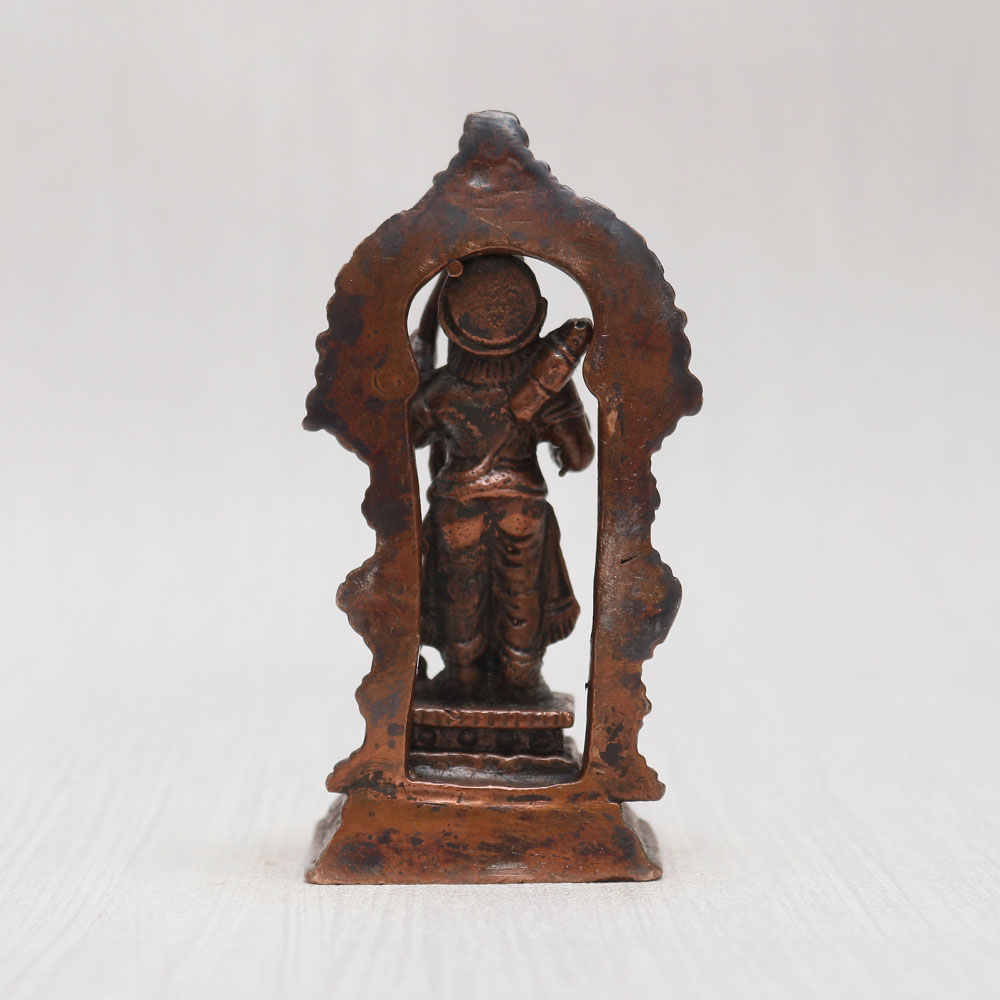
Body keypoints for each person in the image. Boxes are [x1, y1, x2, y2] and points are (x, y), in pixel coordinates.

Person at [411, 254, 594, 704]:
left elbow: (407, 436)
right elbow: (580, 455)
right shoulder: (548, 385)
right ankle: (521, 680)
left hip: (458, 508)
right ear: (536, 316)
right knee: (522, 594)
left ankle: (462, 678)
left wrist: (417, 374)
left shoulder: (443, 390)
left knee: (460, 593)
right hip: (522, 506)